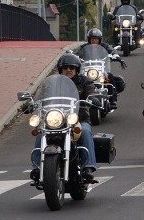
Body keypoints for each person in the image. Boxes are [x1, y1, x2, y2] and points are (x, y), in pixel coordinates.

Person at [54, 53, 98, 181]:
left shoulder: (84, 81)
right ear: (61, 69)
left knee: (84, 131)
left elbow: (91, 92)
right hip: (57, 121)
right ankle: (37, 167)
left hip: (79, 119)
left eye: (71, 68)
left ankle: (88, 167)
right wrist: (31, 104)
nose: (68, 70)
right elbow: (44, 95)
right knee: (41, 132)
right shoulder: (54, 82)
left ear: (76, 70)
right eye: (65, 67)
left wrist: (93, 99)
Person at [77, 28, 126, 110]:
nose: (94, 41)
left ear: (99, 40)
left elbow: (112, 51)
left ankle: (112, 99)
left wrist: (115, 56)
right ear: (89, 39)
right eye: (92, 39)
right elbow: (77, 54)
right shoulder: (84, 47)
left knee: (109, 77)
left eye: (96, 39)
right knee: (80, 80)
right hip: (87, 69)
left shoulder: (105, 46)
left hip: (101, 69)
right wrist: (74, 56)